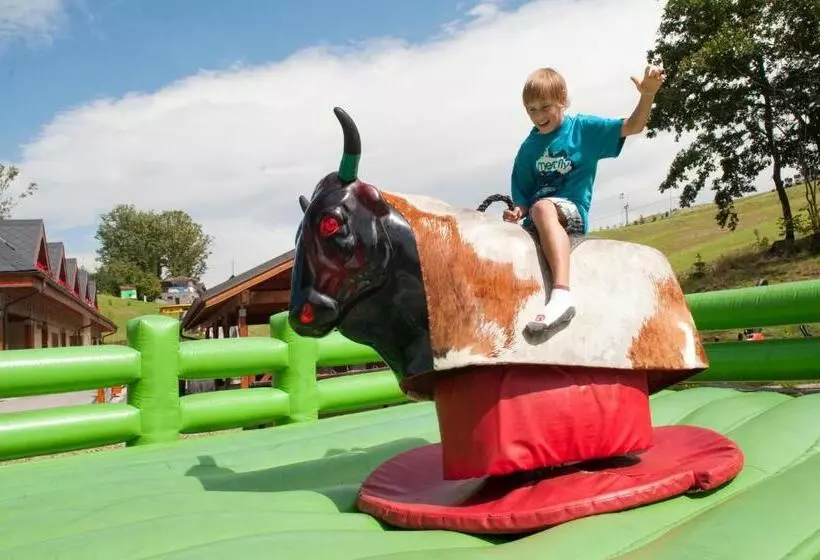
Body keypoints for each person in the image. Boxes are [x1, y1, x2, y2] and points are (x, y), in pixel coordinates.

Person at [504, 65, 665, 334]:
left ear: (562, 99)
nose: (538, 115)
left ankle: (561, 295)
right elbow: (522, 196)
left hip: (570, 213)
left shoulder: (583, 130)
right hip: (536, 219)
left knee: (543, 207)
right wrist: (516, 213)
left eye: (545, 107)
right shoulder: (528, 149)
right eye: (531, 109)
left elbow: (633, 126)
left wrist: (647, 95)